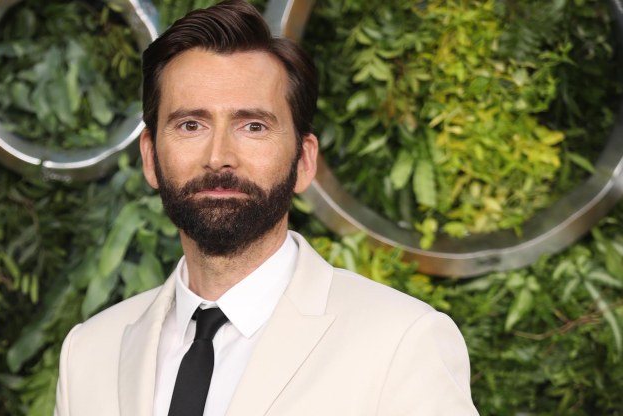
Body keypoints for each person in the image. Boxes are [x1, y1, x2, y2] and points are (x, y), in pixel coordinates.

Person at [54, 1, 479, 415]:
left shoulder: (401, 341)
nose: (219, 155)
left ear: (304, 161)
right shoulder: (89, 352)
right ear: (150, 157)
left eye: (253, 126)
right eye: (191, 125)